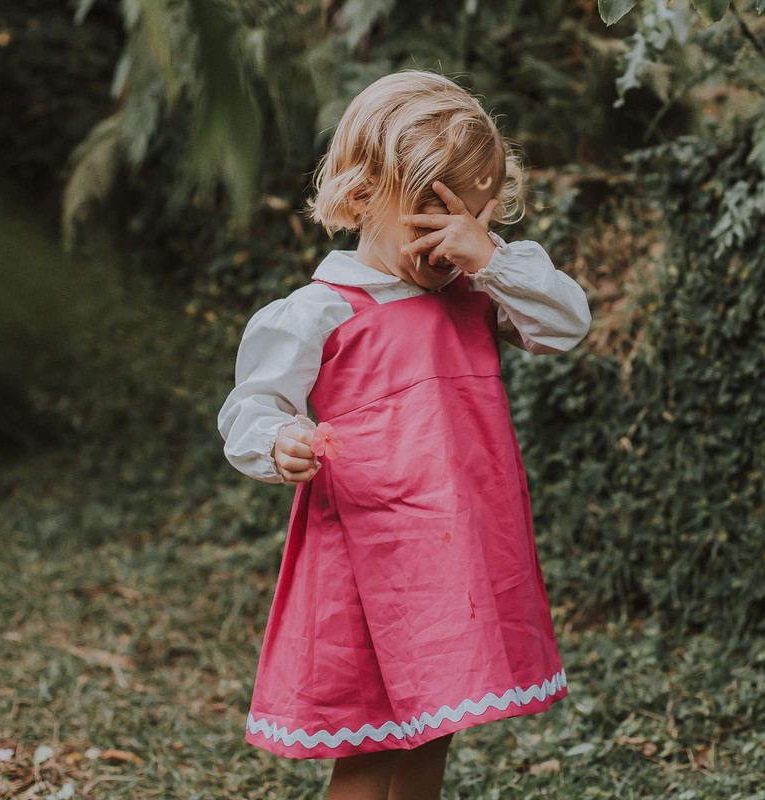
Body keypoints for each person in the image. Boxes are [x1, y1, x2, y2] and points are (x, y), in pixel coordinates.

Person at [217, 70, 591, 800]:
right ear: (363, 196)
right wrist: (280, 441)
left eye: (468, 215)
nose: (445, 234)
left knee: (435, 725)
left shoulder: (481, 289)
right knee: (368, 743)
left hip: (458, 556)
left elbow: (566, 324)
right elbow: (251, 408)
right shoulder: (318, 311)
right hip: (365, 560)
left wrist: (490, 258)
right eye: (427, 210)